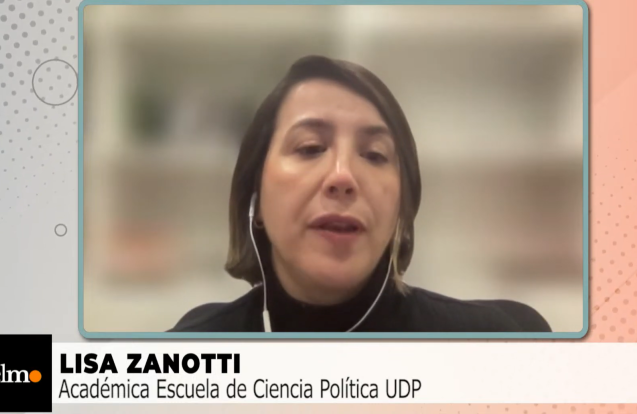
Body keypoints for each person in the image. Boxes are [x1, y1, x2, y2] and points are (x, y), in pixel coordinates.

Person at [171, 55, 551, 333]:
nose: (343, 176)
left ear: (401, 208)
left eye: (374, 155)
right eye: (310, 147)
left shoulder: (500, 345)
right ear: (255, 196)